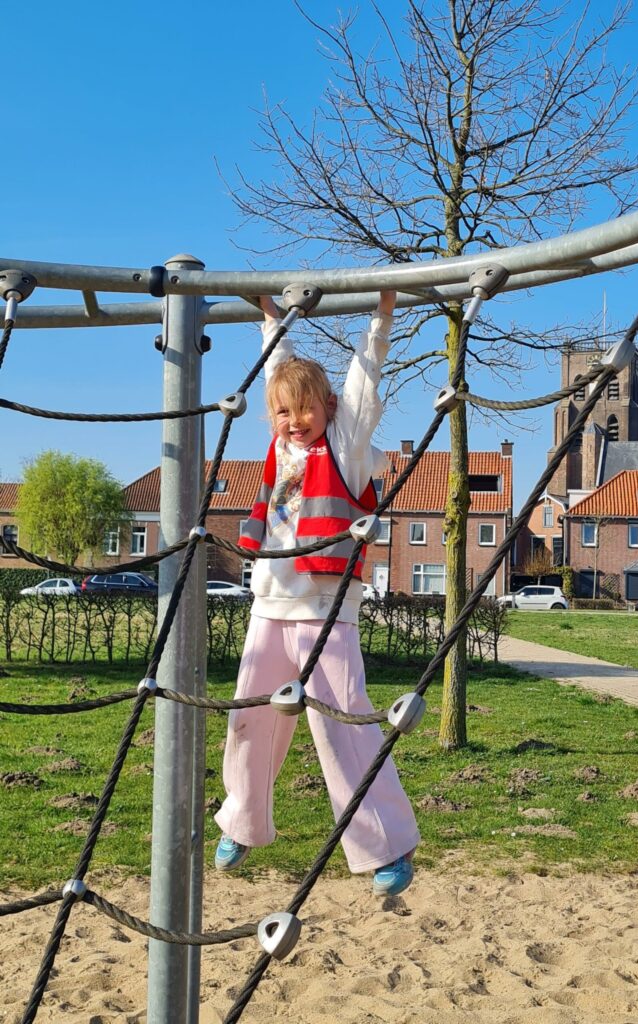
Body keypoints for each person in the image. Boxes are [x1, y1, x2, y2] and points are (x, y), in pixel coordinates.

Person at [214, 291, 420, 898]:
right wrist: (272, 321)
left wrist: (380, 316)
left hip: (326, 611)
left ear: (327, 410)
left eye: (305, 409)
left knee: (343, 725)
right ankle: (245, 818)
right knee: (250, 716)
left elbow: (363, 384)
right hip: (269, 605)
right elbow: (278, 367)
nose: (294, 420)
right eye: (283, 412)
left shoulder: (347, 447)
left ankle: (387, 844)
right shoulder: (280, 452)